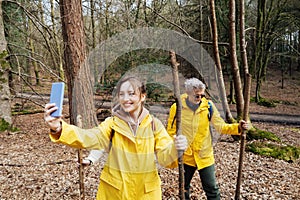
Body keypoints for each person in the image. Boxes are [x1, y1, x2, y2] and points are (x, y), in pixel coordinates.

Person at [44, 76, 187, 200]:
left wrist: (176, 148)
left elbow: (165, 157)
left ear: (142, 96)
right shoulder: (111, 124)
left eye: (131, 94)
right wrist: (59, 128)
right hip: (114, 193)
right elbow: (89, 137)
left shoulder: (154, 125)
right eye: (122, 94)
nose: (126, 99)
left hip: (146, 194)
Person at [166, 77, 249, 200]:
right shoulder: (177, 107)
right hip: (186, 156)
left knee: (212, 189)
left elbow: (220, 126)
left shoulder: (208, 106)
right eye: (197, 96)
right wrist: (174, 145)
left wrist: (238, 127)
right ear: (188, 93)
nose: (200, 98)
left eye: (202, 95)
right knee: (183, 189)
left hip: (204, 155)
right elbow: (170, 131)